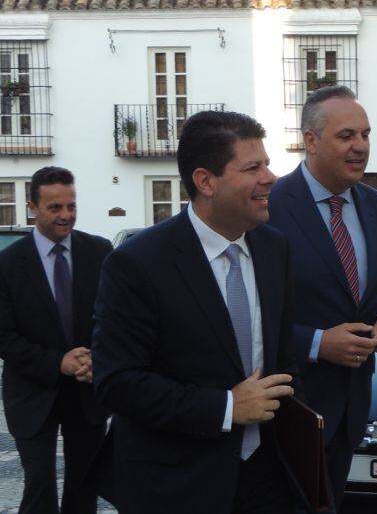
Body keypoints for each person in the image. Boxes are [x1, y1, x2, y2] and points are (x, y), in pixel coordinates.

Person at [92, 111, 299, 514]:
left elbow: (282, 357)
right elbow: (117, 381)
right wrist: (225, 407)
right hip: (176, 484)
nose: (270, 177)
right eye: (253, 167)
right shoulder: (137, 262)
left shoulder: (276, 250)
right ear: (206, 181)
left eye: (268, 164)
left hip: (268, 479)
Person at [268, 85, 377, 511]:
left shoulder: (376, 205)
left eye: (365, 135)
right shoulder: (269, 206)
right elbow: (248, 313)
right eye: (347, 136)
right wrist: (316, 343)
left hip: (354, 404)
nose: (360, 147)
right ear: (311, 140)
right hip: (290, 407)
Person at [0, 166, 111, 514]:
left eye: (71, 206)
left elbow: (114, 317)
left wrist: (98, 358)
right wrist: (57, 362)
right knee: (38, 484)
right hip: (32, 393)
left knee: (84, 485)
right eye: (55, 208)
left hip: (87, 392)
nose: (66, 216)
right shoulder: (8, 264)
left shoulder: (100, 251)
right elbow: (4, 336)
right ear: (32, 205)